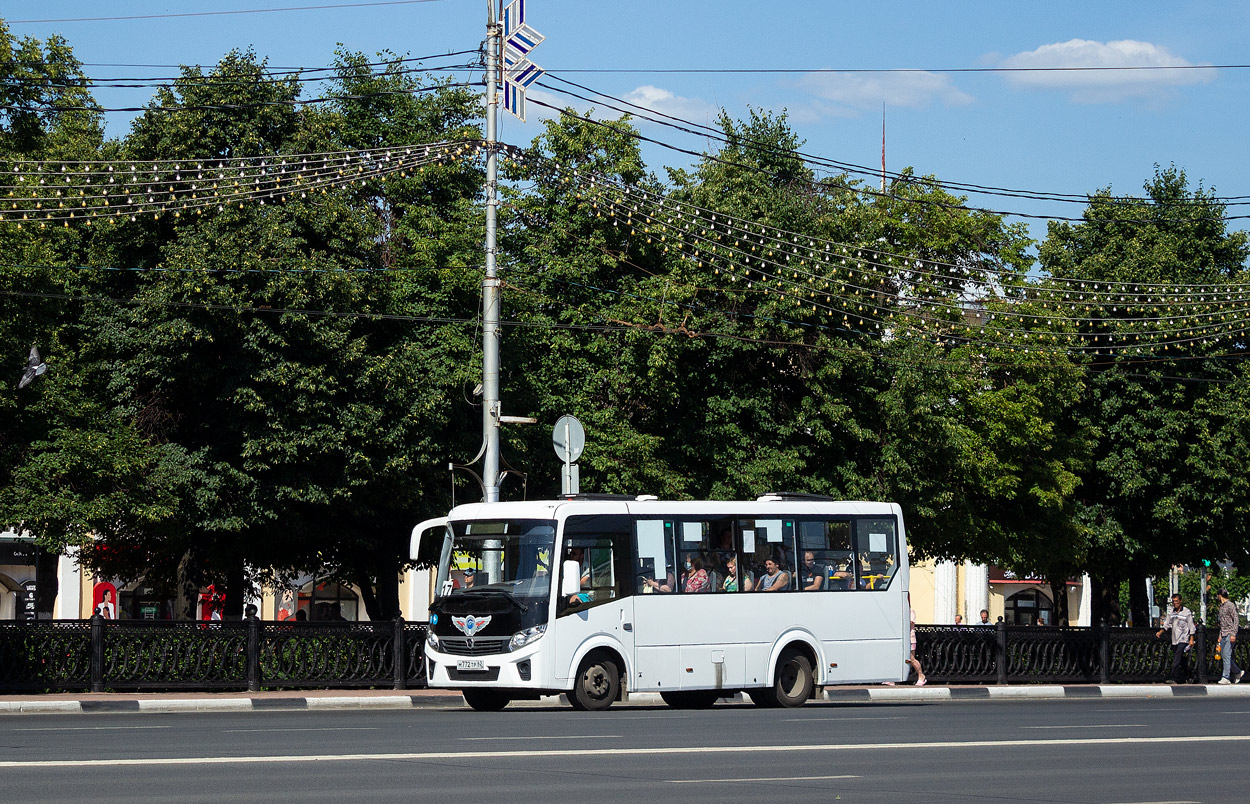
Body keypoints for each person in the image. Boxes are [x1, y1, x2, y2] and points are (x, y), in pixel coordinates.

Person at [1155, 593, 1196, 683]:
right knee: (1181, 659)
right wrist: (1160, 632)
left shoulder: (1186, 612)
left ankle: (1174, 677)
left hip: (1184, 639)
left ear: (1180, 601)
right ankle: (1190, 675)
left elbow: (1191, 626)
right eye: (1173, 601)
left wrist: (1191, 638)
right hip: (1175, 639)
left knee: (1177, 657)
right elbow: (1167, 624)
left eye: (1176, 601)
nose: (1175, 603)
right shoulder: (1172, 612)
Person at [1216, 588, 1243, 684]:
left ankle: (1226, 677)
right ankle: (1237, 672)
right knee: (1224, 655)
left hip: (1229, 633)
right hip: (1223, 633)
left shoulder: (1230, 605)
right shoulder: (1221, 607)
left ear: (1220, 595)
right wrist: (1220, 635)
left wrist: (1233, 634)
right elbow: (1222, 623)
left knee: (1226, 655)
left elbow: (1236, 620)